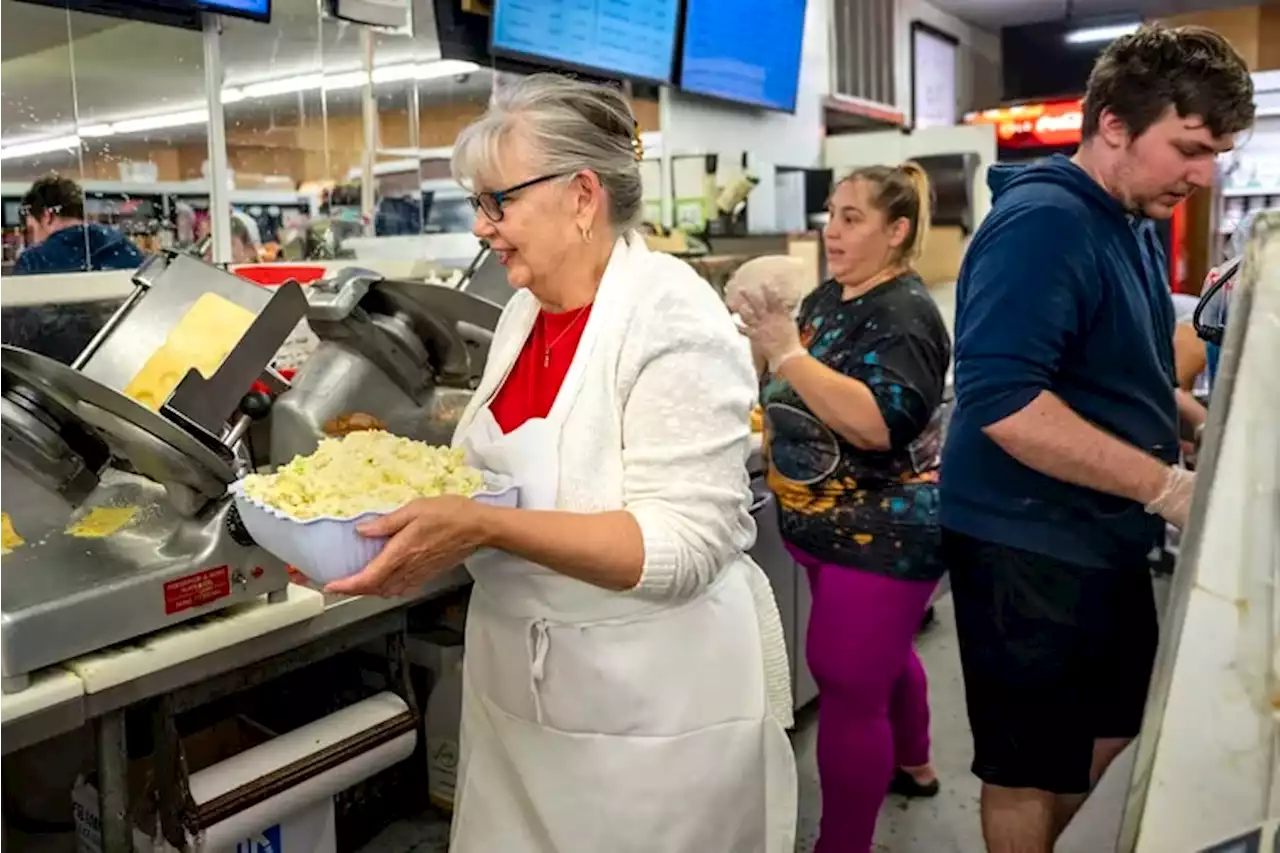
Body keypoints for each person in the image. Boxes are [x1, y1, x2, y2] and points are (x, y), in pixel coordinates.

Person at [326, 73, 798, 853]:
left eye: (497, 202)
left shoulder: (670, 315)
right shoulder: (524, 312)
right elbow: (491, 476)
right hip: (521, 701)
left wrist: (483, 524)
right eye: (478, 204)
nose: (483, 227)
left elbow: (680, 546)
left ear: (583, 195)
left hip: (646, 718)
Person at [940, 24, 1253, 853]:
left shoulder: (1129, 222)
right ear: (1114, 123)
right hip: (1024, 540)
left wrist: (1221, 433)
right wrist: (1170, 488)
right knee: (1027, 766)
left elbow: (1132, 376)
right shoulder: (1044, 223)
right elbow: (1004, 401)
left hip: (1105, 532)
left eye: (1216, 152)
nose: (1203, 173)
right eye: (1188, 147)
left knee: (1111, 738)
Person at [730, 163, 951, 853]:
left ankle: (842, 843)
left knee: (848, 679)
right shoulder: (830, 297)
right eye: (832, 212)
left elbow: (880, 424)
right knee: (882, 654)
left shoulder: (907, 316)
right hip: (824, 526)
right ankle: (915, 759)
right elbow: (789, 374)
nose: (834, 228)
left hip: (883, 533)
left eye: (853, 217)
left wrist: (787, 355)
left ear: (898, 230)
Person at [12, 175, 144, 275]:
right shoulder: (123, 246)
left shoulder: (34, 260)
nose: (34, 240)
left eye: (32, 230)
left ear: (47, 216)